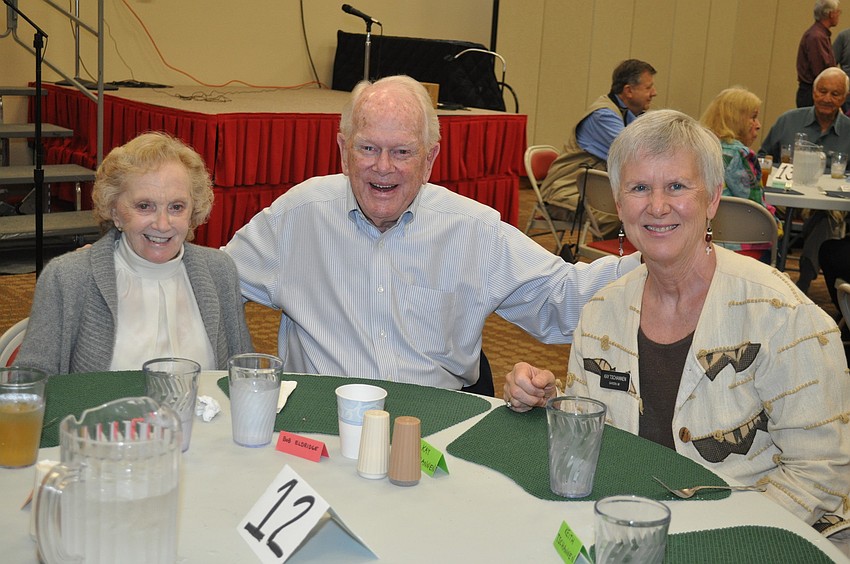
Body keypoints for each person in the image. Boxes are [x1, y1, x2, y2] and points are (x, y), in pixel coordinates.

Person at [506, 109, 849, 541]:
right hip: (630, 530)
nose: (657, 206)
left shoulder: (782, 313)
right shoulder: (601, 312)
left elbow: (821, 472)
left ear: (712, 200)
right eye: (639, 188)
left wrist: (714, 543)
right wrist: (547, 400)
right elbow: (590, 432)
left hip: (755, 537)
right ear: (619, 202)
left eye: (677, 186)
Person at [223, 75, 640, 391]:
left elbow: (564, 298)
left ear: (430, 159)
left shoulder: (471, 230)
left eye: (402, 151)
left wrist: (664, 263)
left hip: (432, 431)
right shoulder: (298, 217)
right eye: (367, 148)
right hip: (321, 426)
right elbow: (212, 281)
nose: (383, 167)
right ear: (343, 153)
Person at [17, 132, 254, 374]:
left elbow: (245, 373)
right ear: (115, 212)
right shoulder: (68, 277)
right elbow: (30, 384)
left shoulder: (219, 270)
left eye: (176, 207)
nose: (162, 224)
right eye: (144, 206)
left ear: (193, 212)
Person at [538, 59, 657, 236]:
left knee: (637, 209)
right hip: (564, 191)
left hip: (589, 191)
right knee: (624, 214)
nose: (654, 93)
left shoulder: (627, 115)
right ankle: (609, 260)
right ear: (628, 91)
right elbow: (638, 154)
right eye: (648, 88)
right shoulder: (603, 116)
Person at [759, 66, 850, 292]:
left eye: (835, 94)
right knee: (762, 214)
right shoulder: (788, 121)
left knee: (828, 218)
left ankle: (804, 281)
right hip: (782, 196)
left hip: (825, 202)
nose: (827, 98)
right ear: (813, 92)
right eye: (822, 91)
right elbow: (763, 157)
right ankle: (769, 276)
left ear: (845, 97)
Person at [700, 86, 780, 261]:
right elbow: (756, 207)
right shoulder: (741, 154)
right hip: (740, 246)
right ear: (736, 118)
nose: (758, 125)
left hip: (701, 241)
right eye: (753, 117)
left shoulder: (698, 149)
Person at [796, 0, 841, 108]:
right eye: (837, 11)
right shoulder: (817, 37)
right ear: (831, 14)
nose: (839, 15)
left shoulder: (819, 34)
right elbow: (821, 71)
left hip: (815, 93)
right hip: (812, 96)